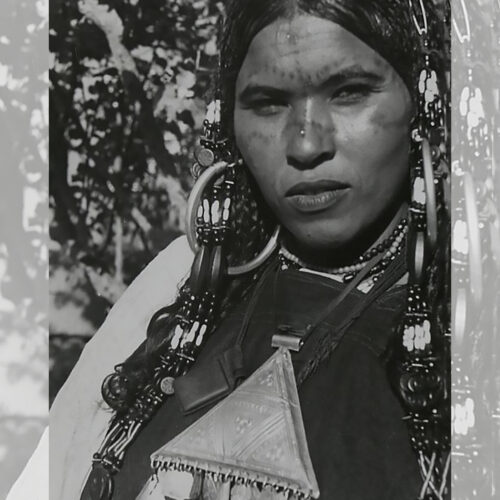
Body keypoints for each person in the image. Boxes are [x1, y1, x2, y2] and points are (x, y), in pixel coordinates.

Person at [46, 1, 451, 499]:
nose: (305, 145)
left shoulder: (471, 311)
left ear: (425, 101)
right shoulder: (183, 280)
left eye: (348, 93)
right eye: (268, 103)